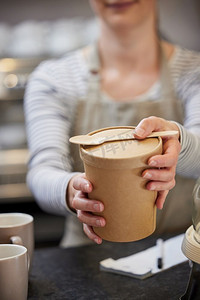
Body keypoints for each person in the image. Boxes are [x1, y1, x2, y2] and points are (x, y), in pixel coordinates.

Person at [24, 0, 200, 247]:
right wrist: (72, 191)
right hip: (86, 259)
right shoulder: (54, 79)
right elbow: (42, 171)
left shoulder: (194, 72)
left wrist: (178, 142)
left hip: (176, 256)